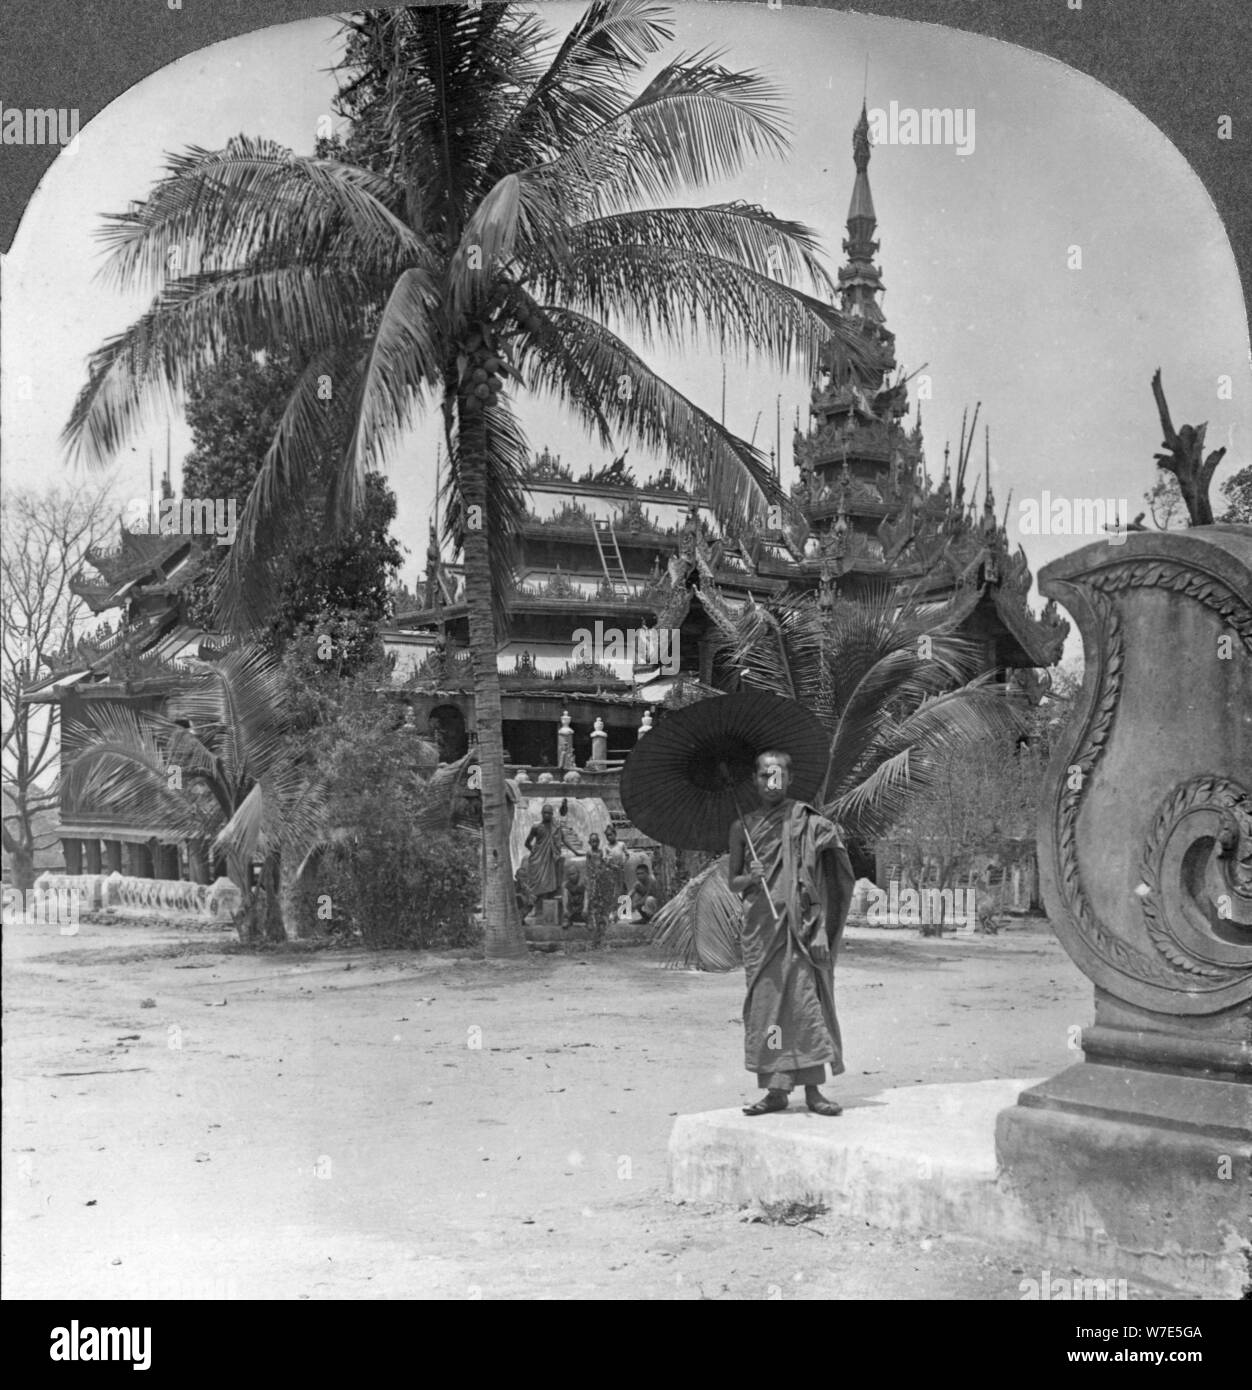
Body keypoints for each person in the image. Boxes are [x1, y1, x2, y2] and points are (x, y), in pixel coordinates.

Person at [728, 750, 856, 1117]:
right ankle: (777, 1089)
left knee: (803, 1007)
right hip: (761, 931)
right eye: (765, 775)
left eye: (778, 775)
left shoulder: (807, 823)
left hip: (801, 930)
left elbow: (824, 881)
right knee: (770, 1013)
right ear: (755, 780)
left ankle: (814, 1090)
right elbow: (733, 882)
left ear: (789, 778)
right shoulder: (742, 828)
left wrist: (819, 929)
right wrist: (750, 877)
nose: (772, 782)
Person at [519, 802, 579, 925]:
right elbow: (527, 842)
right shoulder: (536, 827)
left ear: (552, 815)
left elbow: (564, 839)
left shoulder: (556, 827)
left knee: (548, 889)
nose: (547, 815)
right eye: (545, 813)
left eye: (549, 813)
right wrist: (535, 853)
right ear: (542, 814)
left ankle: (543, 915)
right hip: (537, 862)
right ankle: (524, 915)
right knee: (534, 890)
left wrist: (575, 852)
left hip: (550, 861)